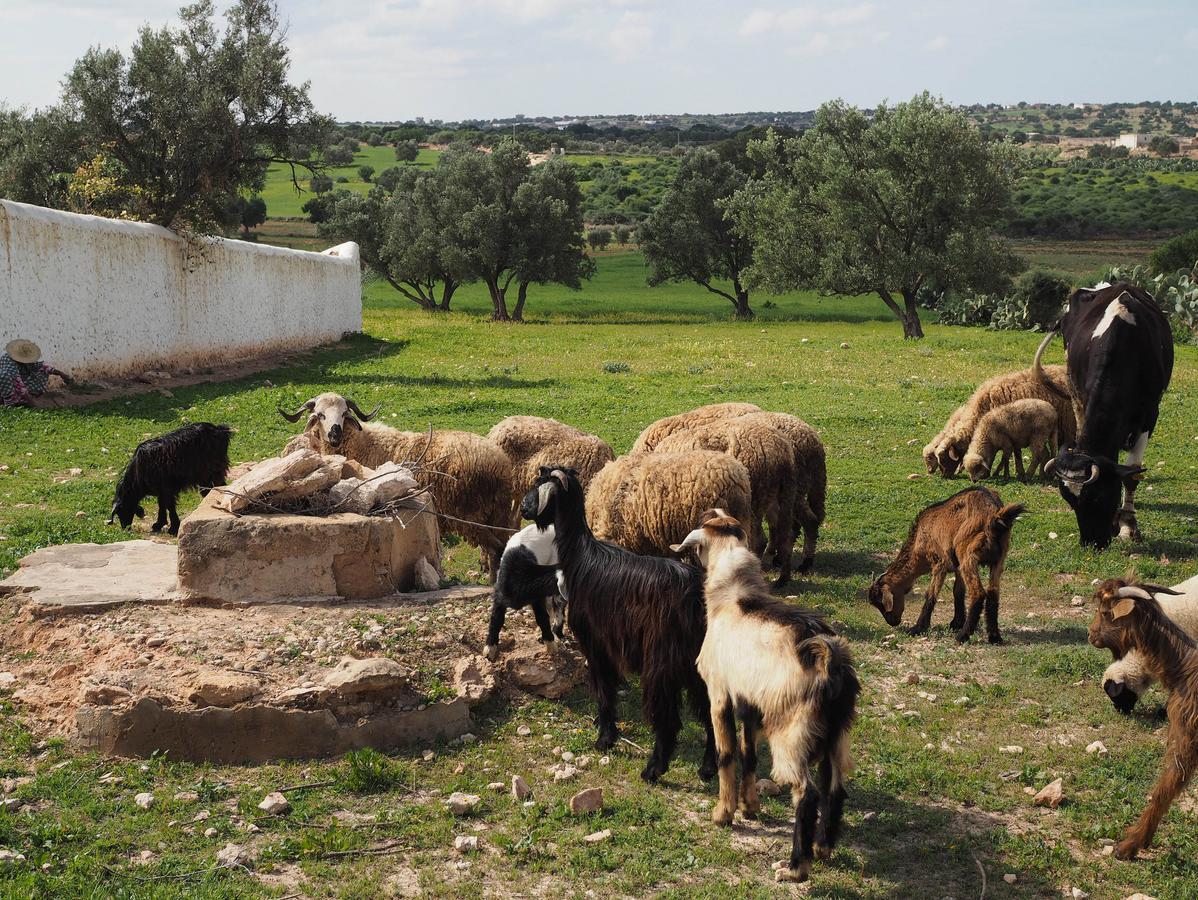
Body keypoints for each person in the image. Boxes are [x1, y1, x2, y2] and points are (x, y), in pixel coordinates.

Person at [1, 339, 72, 407]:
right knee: (4, 375)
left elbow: (42, 366)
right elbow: (18, 384)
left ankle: (21, 400)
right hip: (4, 388)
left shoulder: (26, 361)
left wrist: (61, 374)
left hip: (16, 387)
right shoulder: (8, 360)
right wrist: (33, 405)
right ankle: (10, 404)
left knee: (42, 371)